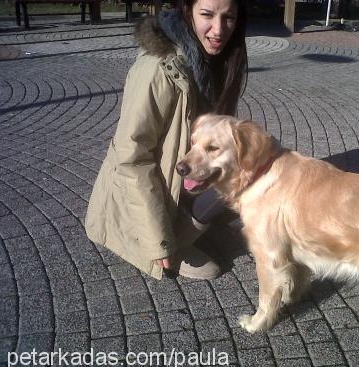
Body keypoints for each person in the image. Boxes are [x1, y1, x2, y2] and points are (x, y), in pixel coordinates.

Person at [85, 0, 248, 280]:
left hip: (183, 174)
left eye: (229, 18)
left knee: (250, 162)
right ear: (187, 10)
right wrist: (159, 241)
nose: (219, 29)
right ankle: (176, 239)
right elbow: (131, 160)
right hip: (150, 191)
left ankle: (197, 218)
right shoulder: (157, 71)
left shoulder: (219, 60)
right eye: (207, 15)